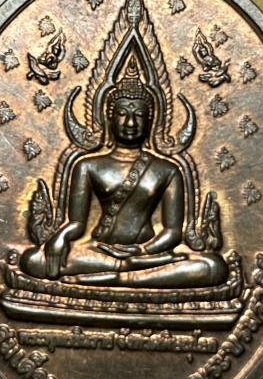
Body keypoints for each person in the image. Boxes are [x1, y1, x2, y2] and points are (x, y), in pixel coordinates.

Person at [20, 58, 229, 288]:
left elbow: (172, 232)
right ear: (109, 117)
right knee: (33, 260)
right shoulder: (87, 166)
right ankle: (127, 273)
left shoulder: (167, 170)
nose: (130, 122)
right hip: (99, 252)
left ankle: (122, 276)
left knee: (212, 266)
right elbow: (77, 223)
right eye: (122, 113)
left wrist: (141, 251)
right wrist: (61, 236)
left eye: (139, 115)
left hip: (146, 254)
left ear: (151, 121)